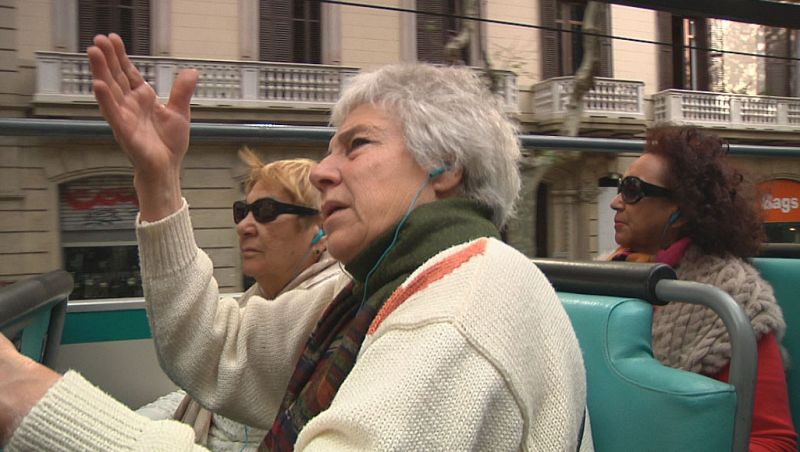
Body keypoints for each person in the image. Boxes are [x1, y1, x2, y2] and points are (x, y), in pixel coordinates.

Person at [0, 33, 590, 450]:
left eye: (355, 145)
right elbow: (216, 348)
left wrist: (33, 398)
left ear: (446, 166)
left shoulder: (460, 310)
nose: (325, 169)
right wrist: (159, 179)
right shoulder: (375, 289)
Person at [135, 151, 343, 451]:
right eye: (242, 211)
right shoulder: (257, 299)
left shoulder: (323, 309)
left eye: (266, 211)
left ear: (321, 230)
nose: (243, 226)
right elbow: (192, 397)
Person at [608, 125, 797, 451]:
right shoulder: (601, 276)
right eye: (619, 187)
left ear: (681, 210)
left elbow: (773, 441)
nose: (614, 202)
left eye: (632, 190)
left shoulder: (734, 301)